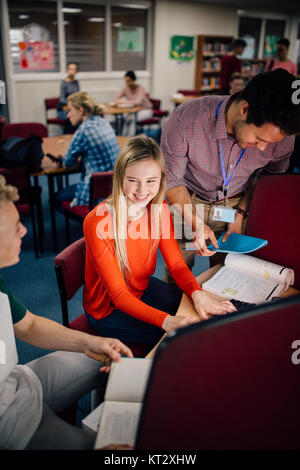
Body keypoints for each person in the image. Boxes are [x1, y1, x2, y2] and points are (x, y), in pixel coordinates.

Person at [0, 175, 133, 450]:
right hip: (10, 424)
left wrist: (91, 343)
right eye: (15, 228)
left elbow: (29, 325)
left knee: (110, 357)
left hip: (18, 382)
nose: (24, 231)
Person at [83, 136, 236, 347]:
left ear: (161, 179)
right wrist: (167, 321)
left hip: (142, 289)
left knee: (206, 316)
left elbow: (175, 264)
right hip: (107, 310)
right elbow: (119, 296)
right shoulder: (98, 220)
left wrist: (197, 294)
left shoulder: (159, 210)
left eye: (151, 181)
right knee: (187, 340)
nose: (141, 191)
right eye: (133, 180)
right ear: (120, 178)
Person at [160, 68, 300, 282]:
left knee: (228, 276)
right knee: (178, 275)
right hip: (188, 202)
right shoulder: (185, 121)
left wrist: (240, 213)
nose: (262, 149)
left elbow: (267, 180)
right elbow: (172, 179)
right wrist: (196, 223)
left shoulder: (283, 139)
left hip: (235, 206)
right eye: (258, 138)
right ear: (245, 110)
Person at [54, 91, 120, 209]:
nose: (67, 115)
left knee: (55, 198)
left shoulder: (83, 130)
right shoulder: (103, 122)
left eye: (69, 110)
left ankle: (87, 223)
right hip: (115, 191)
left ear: (80, 109)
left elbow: (67, 163)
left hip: (95, 195)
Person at [113, 70, 153, 137]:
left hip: (145, 110)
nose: (127, 83)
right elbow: (115, 98)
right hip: (134, 111)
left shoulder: (141, 88)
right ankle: (123, 137)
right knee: (125, 118)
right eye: (126, 81)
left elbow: (138, 102)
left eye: (129, 81)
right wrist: (119, 101)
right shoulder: (126, 88)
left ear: (134, 80)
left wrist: (123, 102)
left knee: (132, 118)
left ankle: (130, 138)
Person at [57, 62, 80, 134]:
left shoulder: (76, 82)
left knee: (81, 117)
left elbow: (78, 96)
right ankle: (67, 136)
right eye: (70, 69)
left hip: (74, 108)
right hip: (64, 109)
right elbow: (62, 99)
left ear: (76, 71)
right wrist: (72, 104)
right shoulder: (64, 83)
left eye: (74, 69)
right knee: (72, 119)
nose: (71, 71)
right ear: (67, 70)